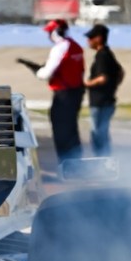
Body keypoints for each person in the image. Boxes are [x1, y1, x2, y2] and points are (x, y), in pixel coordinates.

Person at [19, 19, 86, 162]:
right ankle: (76, 162)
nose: (49, 35)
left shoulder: (60, 48)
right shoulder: (76, 47)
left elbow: (45, 74)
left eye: (50, 32)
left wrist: (35, 69)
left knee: (61, 130)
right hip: (76, 91)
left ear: (56, 32)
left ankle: (67, 164)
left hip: (64, 93)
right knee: (71, 129)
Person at [83, 24, 125, 156]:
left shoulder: (102, 56)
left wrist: (86, 84)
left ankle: (102, 161)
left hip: (100, 102)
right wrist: (114, 86)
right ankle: (104, 159)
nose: (88, 41)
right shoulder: (108, 54)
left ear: (99, 38)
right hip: (107, 100)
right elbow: (121, 72)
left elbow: (102, 78)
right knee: (102, 131)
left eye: (91, 38)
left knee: (98, 133)